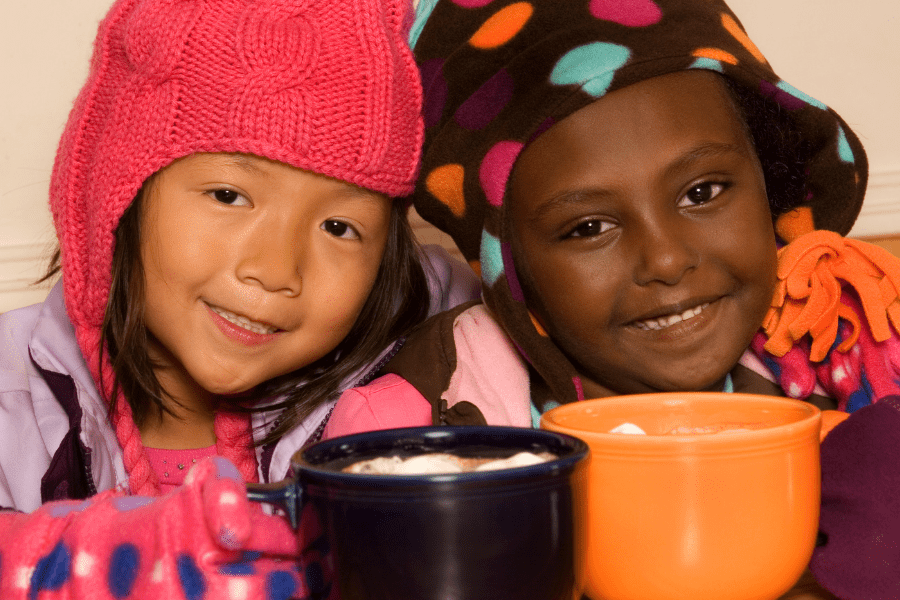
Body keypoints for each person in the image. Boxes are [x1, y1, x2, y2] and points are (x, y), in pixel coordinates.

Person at [323, 0, 900, 598]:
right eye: (588, 228)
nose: (667, 259)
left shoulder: (829, 365)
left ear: (769, 181)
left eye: (702, 192)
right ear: (508, 267)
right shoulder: (426, 422)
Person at [0, 0, 479, 597]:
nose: (275, 270)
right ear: (114, 194)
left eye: (339, 228)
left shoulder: (428, 367)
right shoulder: (13, 399)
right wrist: (133, 553)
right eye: (228, 195)